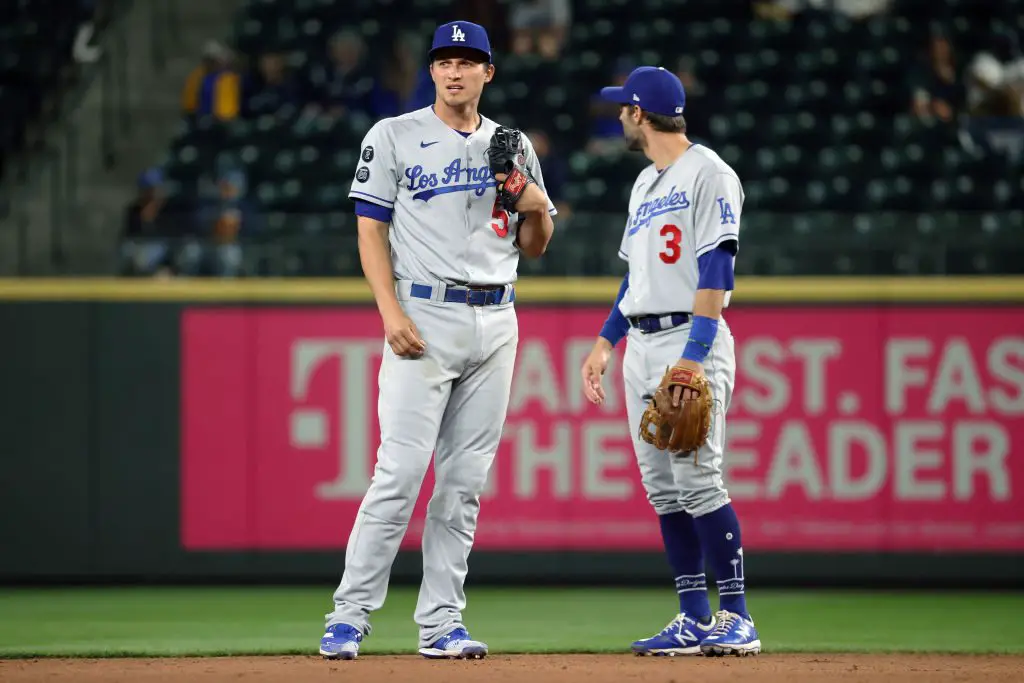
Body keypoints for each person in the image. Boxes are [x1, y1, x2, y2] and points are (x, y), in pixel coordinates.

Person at [319, 20, 557, 661]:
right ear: (431, 72)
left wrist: (534, 206)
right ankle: (348, 615)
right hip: (423, 316)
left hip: (497, 319)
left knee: (463, 485)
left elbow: (532, 246)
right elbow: (370, 232)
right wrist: (389, 311)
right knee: (398, 475)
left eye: (467, 61)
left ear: (488, 72)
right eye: (443, 61)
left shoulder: (511, 145)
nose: (454, 71)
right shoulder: (394, 136)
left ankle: (442, 624)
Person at [580, 66, 762, 657]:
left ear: (639, 113)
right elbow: (635, 278)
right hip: (642, 340)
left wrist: (693, 359)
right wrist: (606, 343)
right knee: (662, 489)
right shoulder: (644, 184)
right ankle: (693, 617)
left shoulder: (711, 173)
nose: (617, 118)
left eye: (621, 109)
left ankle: (737, 615)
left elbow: (717, 270)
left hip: (690, 337)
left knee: (698, 478)